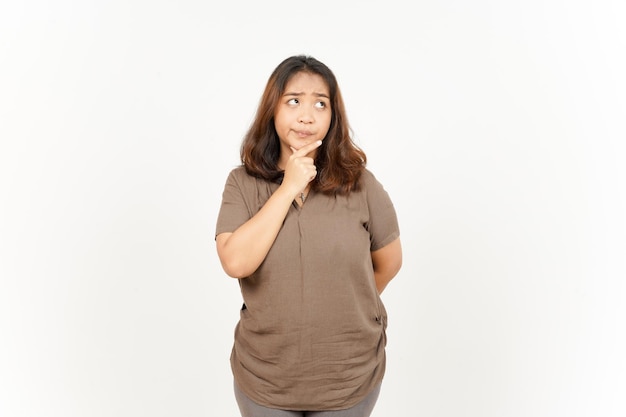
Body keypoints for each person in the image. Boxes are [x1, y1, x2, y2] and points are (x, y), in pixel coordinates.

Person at [215, 55, 402, 417]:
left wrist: (340, 307)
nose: (307, 115)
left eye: (321, 103)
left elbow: (390, 262)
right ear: (273, 109)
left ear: (333, 116)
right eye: (294, 101)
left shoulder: (360, 184)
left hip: (348, 378)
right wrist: (289, 188)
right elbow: (236, 261)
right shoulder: (242, 183)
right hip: (265, 380)